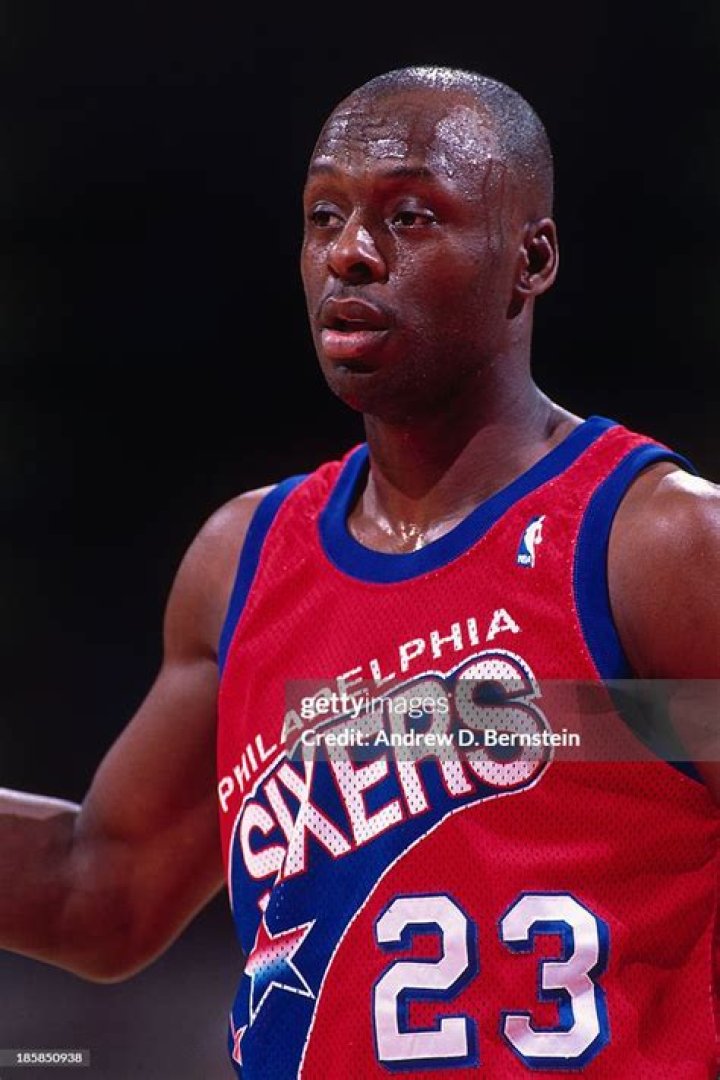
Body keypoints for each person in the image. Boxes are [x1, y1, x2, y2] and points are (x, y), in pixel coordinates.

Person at [1, 64, 718, 1079]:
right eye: (323, 215)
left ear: (531, 260)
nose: (350, 252)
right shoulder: (242, 564)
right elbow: (101, 893)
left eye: (411, 216)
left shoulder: (655, 548)